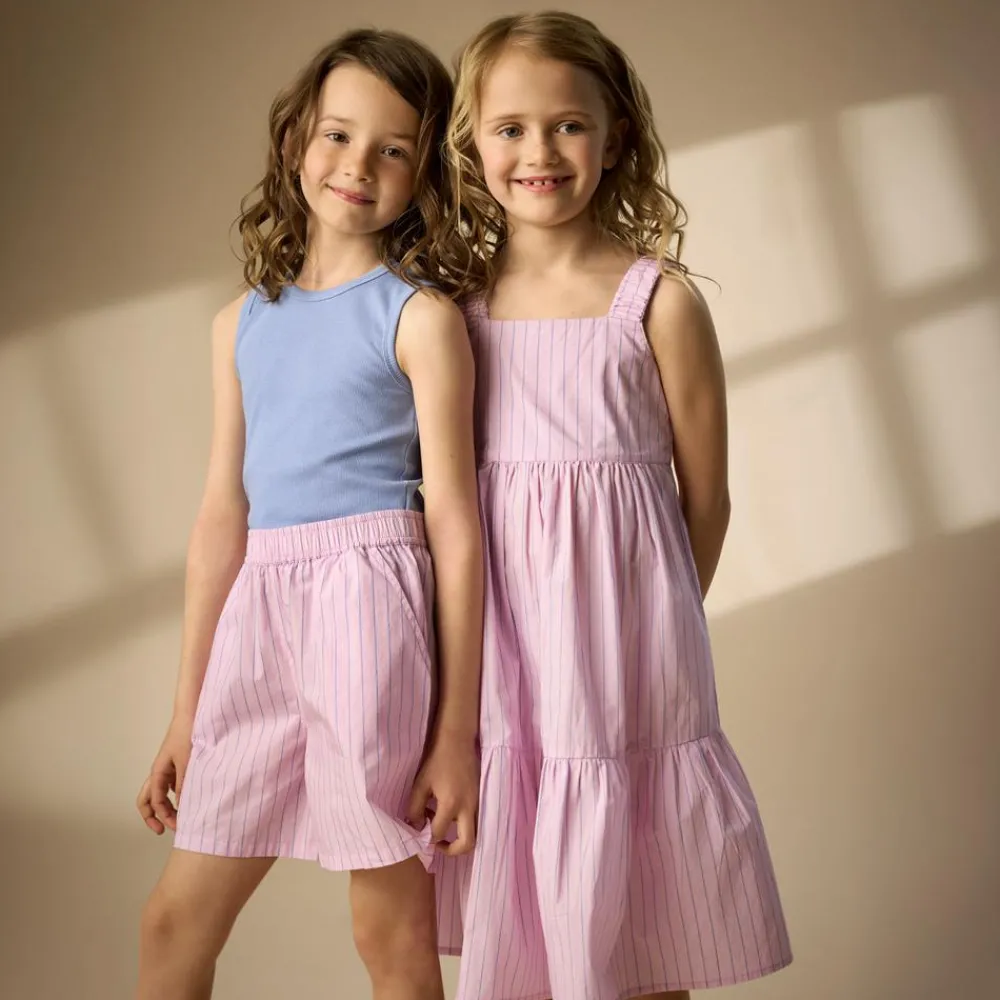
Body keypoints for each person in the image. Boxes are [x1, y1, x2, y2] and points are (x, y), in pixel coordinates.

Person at [431, 12, 792, 1000]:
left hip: (629, 659)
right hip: (507, 663)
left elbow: (705, 499)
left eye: (567, 125)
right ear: (472, 143)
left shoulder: (658, 303)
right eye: (510, 129)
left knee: (642, 927)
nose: (539, 153)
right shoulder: (455, 314)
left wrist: (648, 623)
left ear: (614, 134)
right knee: (535, 924)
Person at [134, 29, 482, 1000]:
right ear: (296, 140)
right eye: (338, 135)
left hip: (367, 611)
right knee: (172, 923)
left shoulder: (419, 319)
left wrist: (454, 732)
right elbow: (221, 518)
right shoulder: (239, 323)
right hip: (260, 614)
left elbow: (457, 528)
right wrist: (187, 714)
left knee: (388, 934)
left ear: (425, 173)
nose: (357, 165)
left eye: (393, 148)